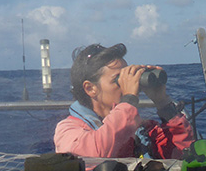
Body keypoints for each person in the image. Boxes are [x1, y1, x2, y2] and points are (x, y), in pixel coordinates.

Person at [54, 43, 193, 159]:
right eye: (118, 79)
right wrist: (128, 100)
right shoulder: (68, 130)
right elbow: (97, 154)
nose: (126, 84)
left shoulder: (140, 128)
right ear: (90, 88)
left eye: (126, 77)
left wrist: (162, 103)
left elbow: (183, 155)